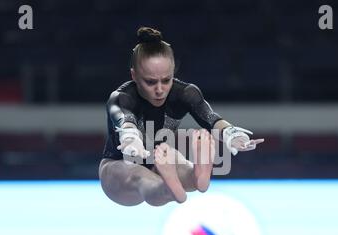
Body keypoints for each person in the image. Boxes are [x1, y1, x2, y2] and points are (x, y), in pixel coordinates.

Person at [99, 27, 264, 207]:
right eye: (151, 82)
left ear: (173, 74)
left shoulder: (185, 93)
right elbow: (125, 120)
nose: (160, 89)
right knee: (139, 175)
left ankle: (196, 175)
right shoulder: (122, 97)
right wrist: (131, 138)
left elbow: (210, 117)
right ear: (134, 75)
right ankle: (169, 186)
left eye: (166, 80)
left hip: (159, 159)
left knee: (177, 163)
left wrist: (231, 134)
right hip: (118, 167)